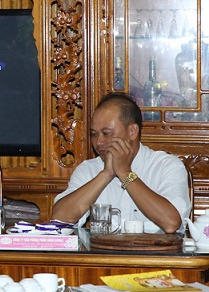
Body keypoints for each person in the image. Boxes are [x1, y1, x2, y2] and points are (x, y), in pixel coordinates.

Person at [51, 92, 191, 233]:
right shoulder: (88, 170)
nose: (99, 142)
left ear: (132, 131)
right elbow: (59, 220)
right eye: (94, 134)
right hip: (102, 255)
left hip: (154, 255)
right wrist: (106, 174)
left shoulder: (166, 166)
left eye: (106, 133)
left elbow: (171, 223)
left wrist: (125, 174)